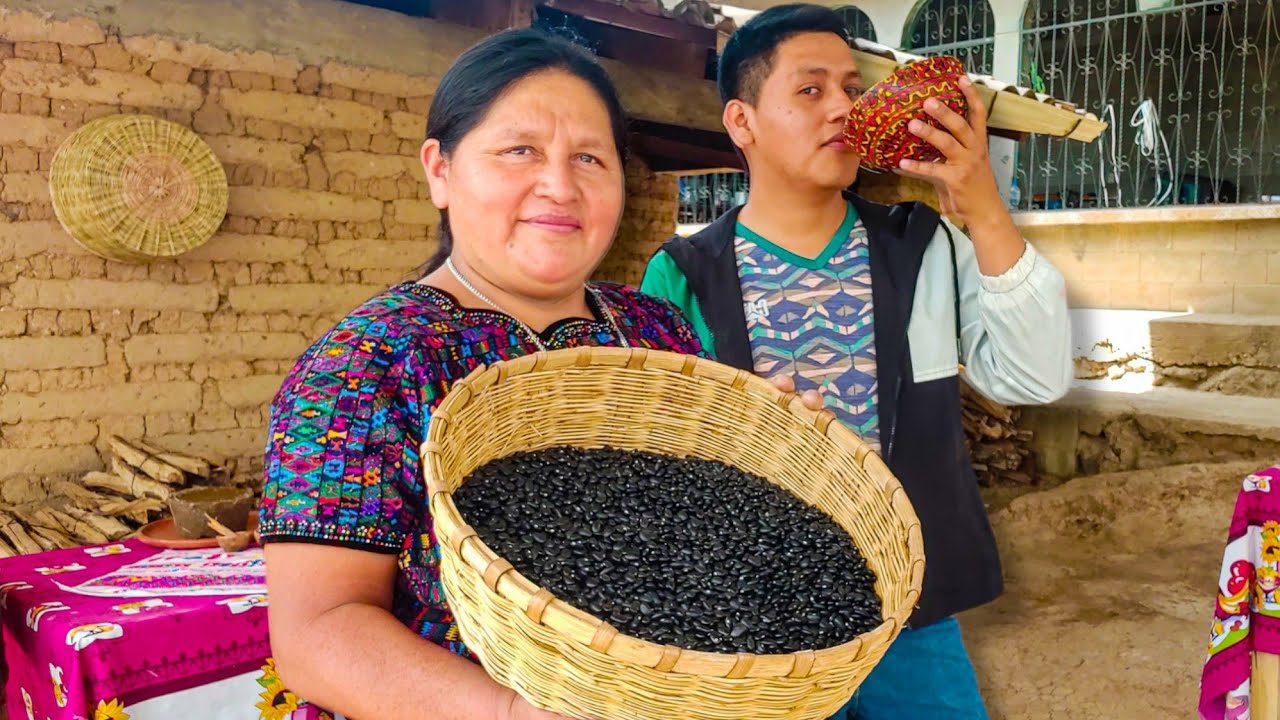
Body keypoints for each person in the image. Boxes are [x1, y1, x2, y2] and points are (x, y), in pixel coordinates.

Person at [258, 28, 712, 720]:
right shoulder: (370, 364)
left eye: (590, 157)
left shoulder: (655, 333)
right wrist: (511, 712)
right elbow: (318, 630)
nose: (560, 186)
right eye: (519, 151)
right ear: (440, 170)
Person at [640, 5, 1072, 719]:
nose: (843, 107)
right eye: (810, 90)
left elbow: (1034, 375)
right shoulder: (683, 274)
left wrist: (983, 208)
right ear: (742, 122)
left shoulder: (923, 246)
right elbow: (662, 450)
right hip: (759, 622)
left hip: (910, 611)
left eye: (851, 88)